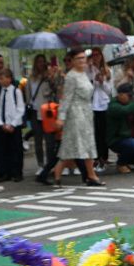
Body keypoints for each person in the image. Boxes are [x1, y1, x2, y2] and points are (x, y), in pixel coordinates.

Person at [53, 47, 104, 187]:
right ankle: (61, 172)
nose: (82, 61)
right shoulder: (71, 76)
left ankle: (90, 175)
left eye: (84, 58)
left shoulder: (84, 74)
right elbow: (66, 98)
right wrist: (61, 117)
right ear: (73, 61)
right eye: (78, 58)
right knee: (75, 145)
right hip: (75, 114)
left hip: (86, 112)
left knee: (86, 145)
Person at [0, 69, 25, 182]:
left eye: (2, 78)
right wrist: (1, 123)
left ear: (9, 79)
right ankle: (6, 172)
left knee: (16, 149)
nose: (0, 81)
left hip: (14, 125)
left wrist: (12, 124)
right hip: (3, 125)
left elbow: (20, 109)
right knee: (4, 150)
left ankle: (17, 172)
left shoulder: (16, 91)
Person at [25, 55, 55, 170]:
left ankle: (50, 164)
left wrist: (50, 77)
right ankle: (40, 164)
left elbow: (54, 90)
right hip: (35, 111)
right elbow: (28, 94)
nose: (41, 64)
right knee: (38, 140)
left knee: (49, 141)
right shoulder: (31, 78)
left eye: (43, 62)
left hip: (47, 111)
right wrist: (28, 103)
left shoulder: (49, 77)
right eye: (38, 62)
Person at [88, 49, 114, 171]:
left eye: (97, 55)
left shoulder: (108, 70)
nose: (95, 57)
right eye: (93, 55)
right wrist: (94, 81)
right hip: (93, 105)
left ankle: (104, 157)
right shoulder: (88, 70)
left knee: (104, 132)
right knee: (96, 133)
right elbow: (88, 89)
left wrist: (102, 82)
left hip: (104, 104)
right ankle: (97, 158)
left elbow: (110, 91)